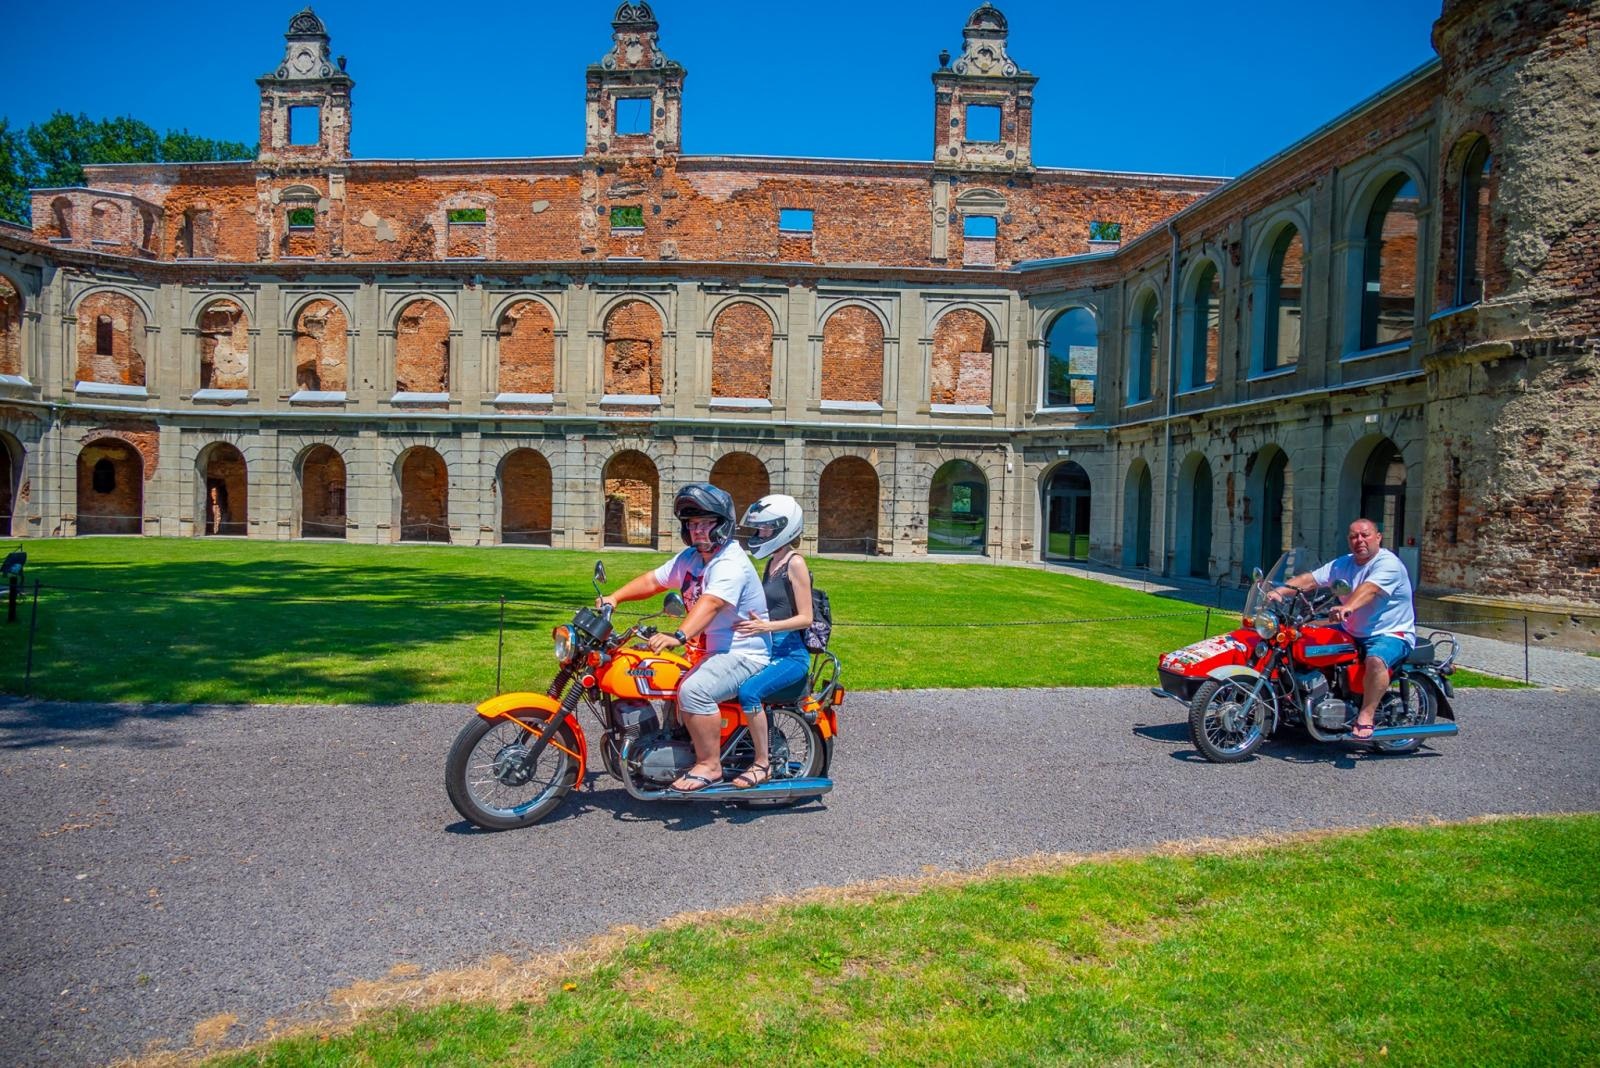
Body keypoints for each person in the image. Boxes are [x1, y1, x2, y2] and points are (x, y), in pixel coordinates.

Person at [597, 482, 769, 791]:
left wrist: (679, 634)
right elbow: (654, 580)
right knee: (662, 678)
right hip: (709, 652)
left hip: (743, 653)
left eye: (705, 523)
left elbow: (712, 603)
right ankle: (670, 749)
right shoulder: (690, 558)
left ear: (722, 524)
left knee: (694, 691)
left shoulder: (730, 562)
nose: (698, 530)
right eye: (692, 524)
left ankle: (710, 765)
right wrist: (615, 598)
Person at [1271, 518, 1416, 740]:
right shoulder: (1343, 563)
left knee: (1376, 660)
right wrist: (1281, 591)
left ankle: (1366, 715)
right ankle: (1302, 698)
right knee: (1302, 635)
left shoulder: (1388, 564)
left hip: (1389, 632)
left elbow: (1369, 589)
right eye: (1353, 536)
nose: (1359, 540)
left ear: (1378, 537)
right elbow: (1310, 579)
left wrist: (1347, 606)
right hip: (1351, 628)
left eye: (1365, 535)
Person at [729, 494, 814, 789]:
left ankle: (762, 763)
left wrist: (767, 626)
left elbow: (806, 617)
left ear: (784, 528)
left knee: (750, 692)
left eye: (765, 529)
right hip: (766, 648)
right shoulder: (772, 562)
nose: (759, 534)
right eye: (759, 529)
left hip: (791, 655)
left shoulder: (795, 563)